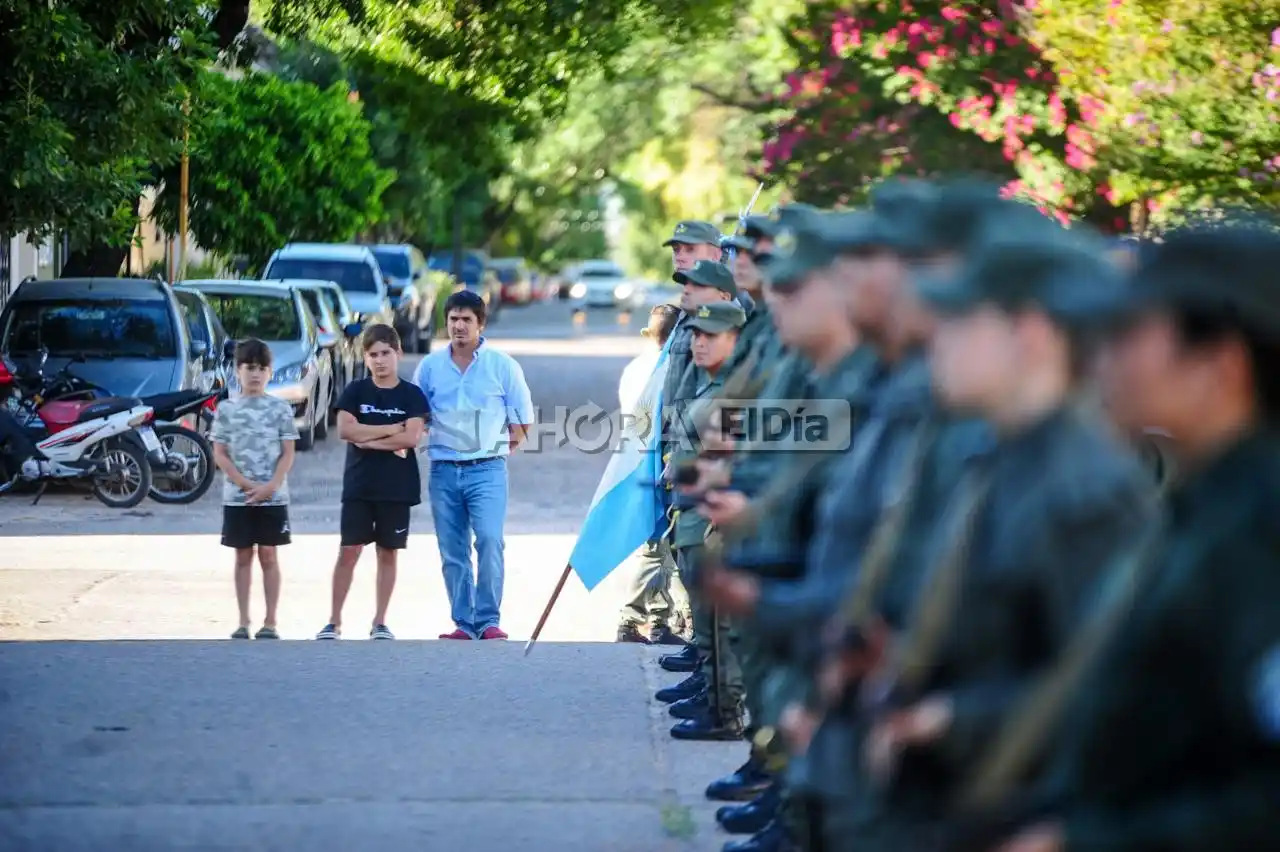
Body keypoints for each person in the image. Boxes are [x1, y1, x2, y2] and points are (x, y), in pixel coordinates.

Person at [990, 222, 1280, 852]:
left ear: (1222, 365)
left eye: (1127, 336)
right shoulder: (1204, 503)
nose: (1102, 359)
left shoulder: (1260, 529)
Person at [413, 290, 534, 640]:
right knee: (452, 549)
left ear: (480, 324)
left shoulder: (503, 365)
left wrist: (498, 448)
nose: (459, 326)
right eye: (453, 319)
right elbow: (418, 417)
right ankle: (463, 623)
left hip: (488, 470)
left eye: (467, 319)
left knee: (491, 541)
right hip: (444, 470)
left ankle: (488, 619)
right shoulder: (430, 367)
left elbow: (523, 420)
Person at [664, 293, 749, 741]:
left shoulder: (737, 389)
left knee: (725, 627)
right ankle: (717, 705)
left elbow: (741, 456)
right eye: (696, 334)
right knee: (710, 621)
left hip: (722, 519)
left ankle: (726, 713)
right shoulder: (708, 381)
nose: (698, 343)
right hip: (697, 511)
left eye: (710, 336)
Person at [317, 323, 428, 641]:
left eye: (385, 353)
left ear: (398, 353)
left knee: (387, 552)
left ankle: (380, 622)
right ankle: (333, 621)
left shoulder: (412, 395)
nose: (380, 360)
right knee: (349, 550)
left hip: (396, 488)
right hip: (359, 486)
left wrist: (373, 437)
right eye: (373, 355)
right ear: (365, 358)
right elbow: (347, 431)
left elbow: (411, 436)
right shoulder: (355, 392)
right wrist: (391, 431)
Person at [210, 338, 299, 640]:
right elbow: (220, 453)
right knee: (243, 556)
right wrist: (246, 485)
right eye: (249, 368)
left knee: (269, 555)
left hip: (273, 496)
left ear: (270, 372)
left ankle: (271, 621)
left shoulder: (280, 409)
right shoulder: (226, 409)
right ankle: (243, 620)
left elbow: (288, 452)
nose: (255, 374)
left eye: (262, 368)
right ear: (237, 370)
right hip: (238, 497)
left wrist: (271, 486)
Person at [617, 302, 689, 645]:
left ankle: (663, 619)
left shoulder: (635, 368)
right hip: (658, 458)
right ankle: (631, 619)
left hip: (638, 456)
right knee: (658, 544)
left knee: (665, 544)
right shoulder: (669, 370)